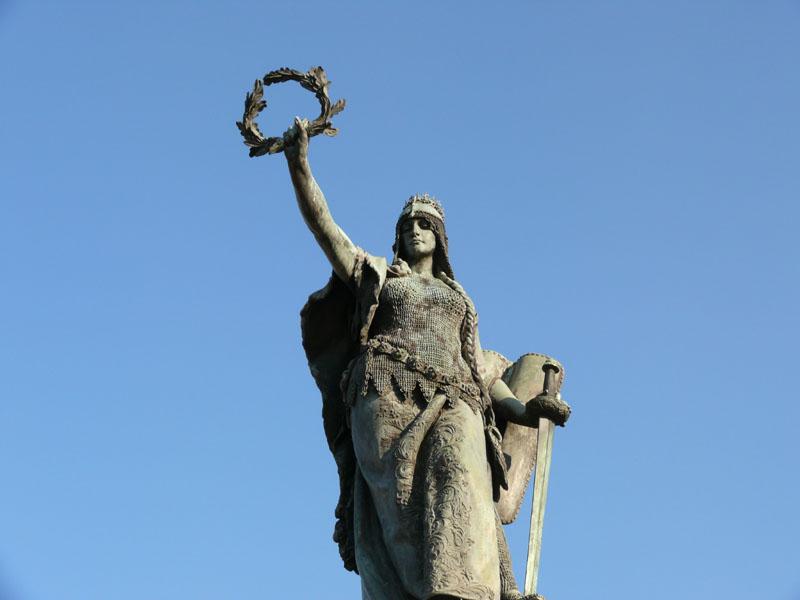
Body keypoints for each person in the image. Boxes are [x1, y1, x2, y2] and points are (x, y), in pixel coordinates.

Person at [283, 118, 569, 600]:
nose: (415, 231)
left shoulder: (460, 298)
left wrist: (525, 411)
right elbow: (327, 231)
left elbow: (480, 370)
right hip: (385, 396)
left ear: (440, 237)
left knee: (464, 480)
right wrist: (300, 167)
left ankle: (459, 592)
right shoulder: (379, 276)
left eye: (425, 225)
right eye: (407, 226)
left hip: (457, 399)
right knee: (400, 519)